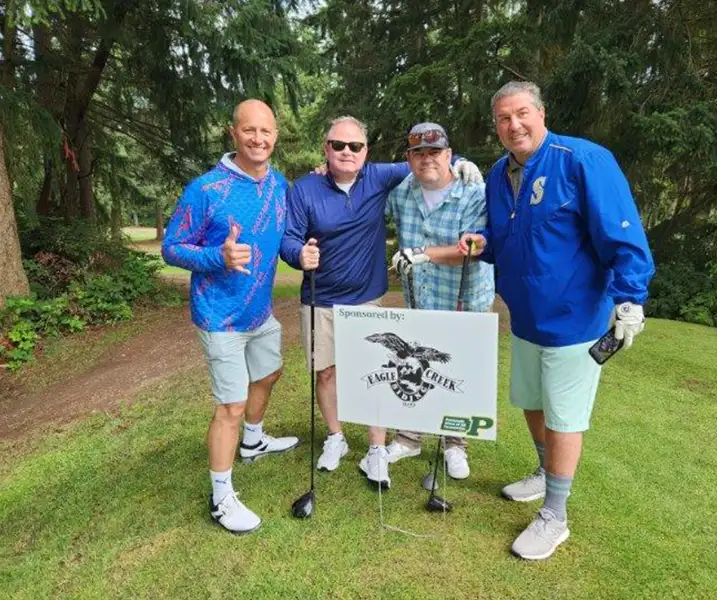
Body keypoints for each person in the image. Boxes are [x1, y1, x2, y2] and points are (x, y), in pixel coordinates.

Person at [459, 81, 655, 560]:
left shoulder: (582, 159)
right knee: (531, 402)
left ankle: (555, 515)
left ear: (541, 113)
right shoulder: (498, 173)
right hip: (525, 318)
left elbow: (621, 230)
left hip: (575, 320)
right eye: (504, 119)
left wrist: (630, 297)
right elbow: (507, 234)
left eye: (522, 113)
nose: (513, 125)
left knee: (564, 417)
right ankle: (545, 473)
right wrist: (483, 241)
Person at [279, 115, 482, 489]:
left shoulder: (379, 176)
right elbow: (289, 237)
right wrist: (297, 254)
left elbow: (428, 159)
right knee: (325, 372)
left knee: (379, 376)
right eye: (338, 145)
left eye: (354, 146)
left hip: (368, 299)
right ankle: (336, 437)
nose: (346, 152)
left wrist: (461, 161)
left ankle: (378, 448)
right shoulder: (305, 188)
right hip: (319, 298)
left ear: (366, 151)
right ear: (326, 149)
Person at [162, 99, 300, 535]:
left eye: (266, 131)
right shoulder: (205, 189)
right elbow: (172, 247)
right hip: (218, 316)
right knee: (231, 404)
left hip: (260, 312)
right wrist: (216, 256)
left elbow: (288, 236)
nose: (259, 139)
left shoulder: (280, 185)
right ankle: (221, 496)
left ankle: (254, 441)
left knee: (270, 374)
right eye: (249, 131)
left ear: (276, 135)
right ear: (233, 133)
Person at [384, 122, 495, 480]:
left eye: (436, 152)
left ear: (449, 155)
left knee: (457, 371)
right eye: (419, 153)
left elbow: (475, 249)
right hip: (422, 298)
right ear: (409, 158)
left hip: (465, 298)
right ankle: (409, 436)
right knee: (415, 364)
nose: (427, 159)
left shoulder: (474, 191)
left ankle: (455, 444)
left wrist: (423, 253)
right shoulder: (401, 192)